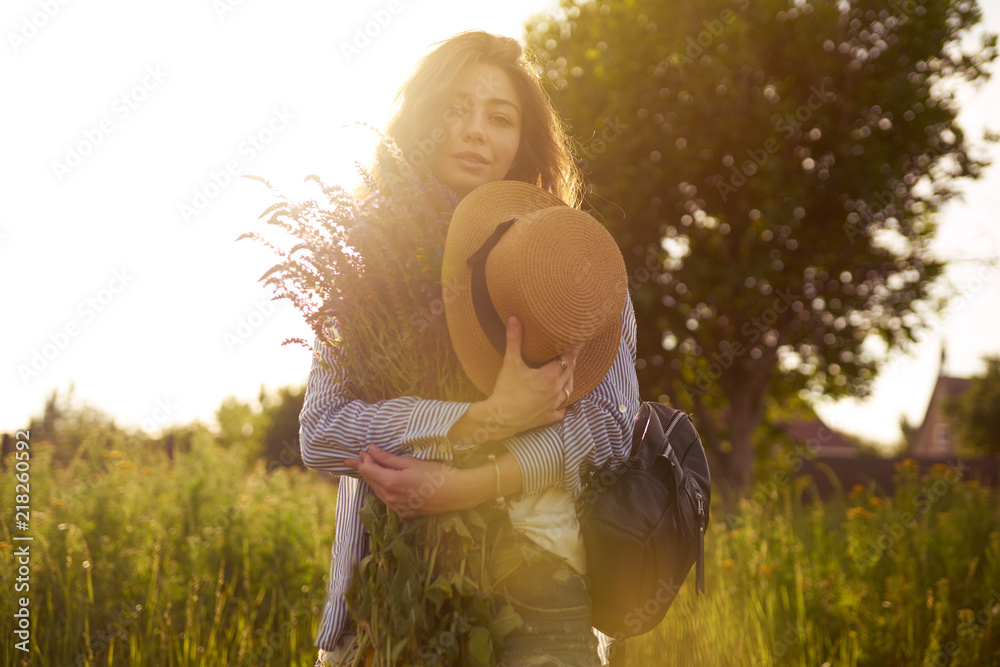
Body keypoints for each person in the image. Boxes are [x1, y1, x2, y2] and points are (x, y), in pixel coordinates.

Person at [299, 30, 640, 666]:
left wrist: (471, 484)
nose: (475, 131)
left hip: (539, 605)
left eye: (499, 117)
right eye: (455, 109)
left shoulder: (574, 267)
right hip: (384, 600)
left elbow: (612, 434)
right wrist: (478, 418)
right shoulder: (363, 269)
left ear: (523, 142)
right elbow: (320, 433)